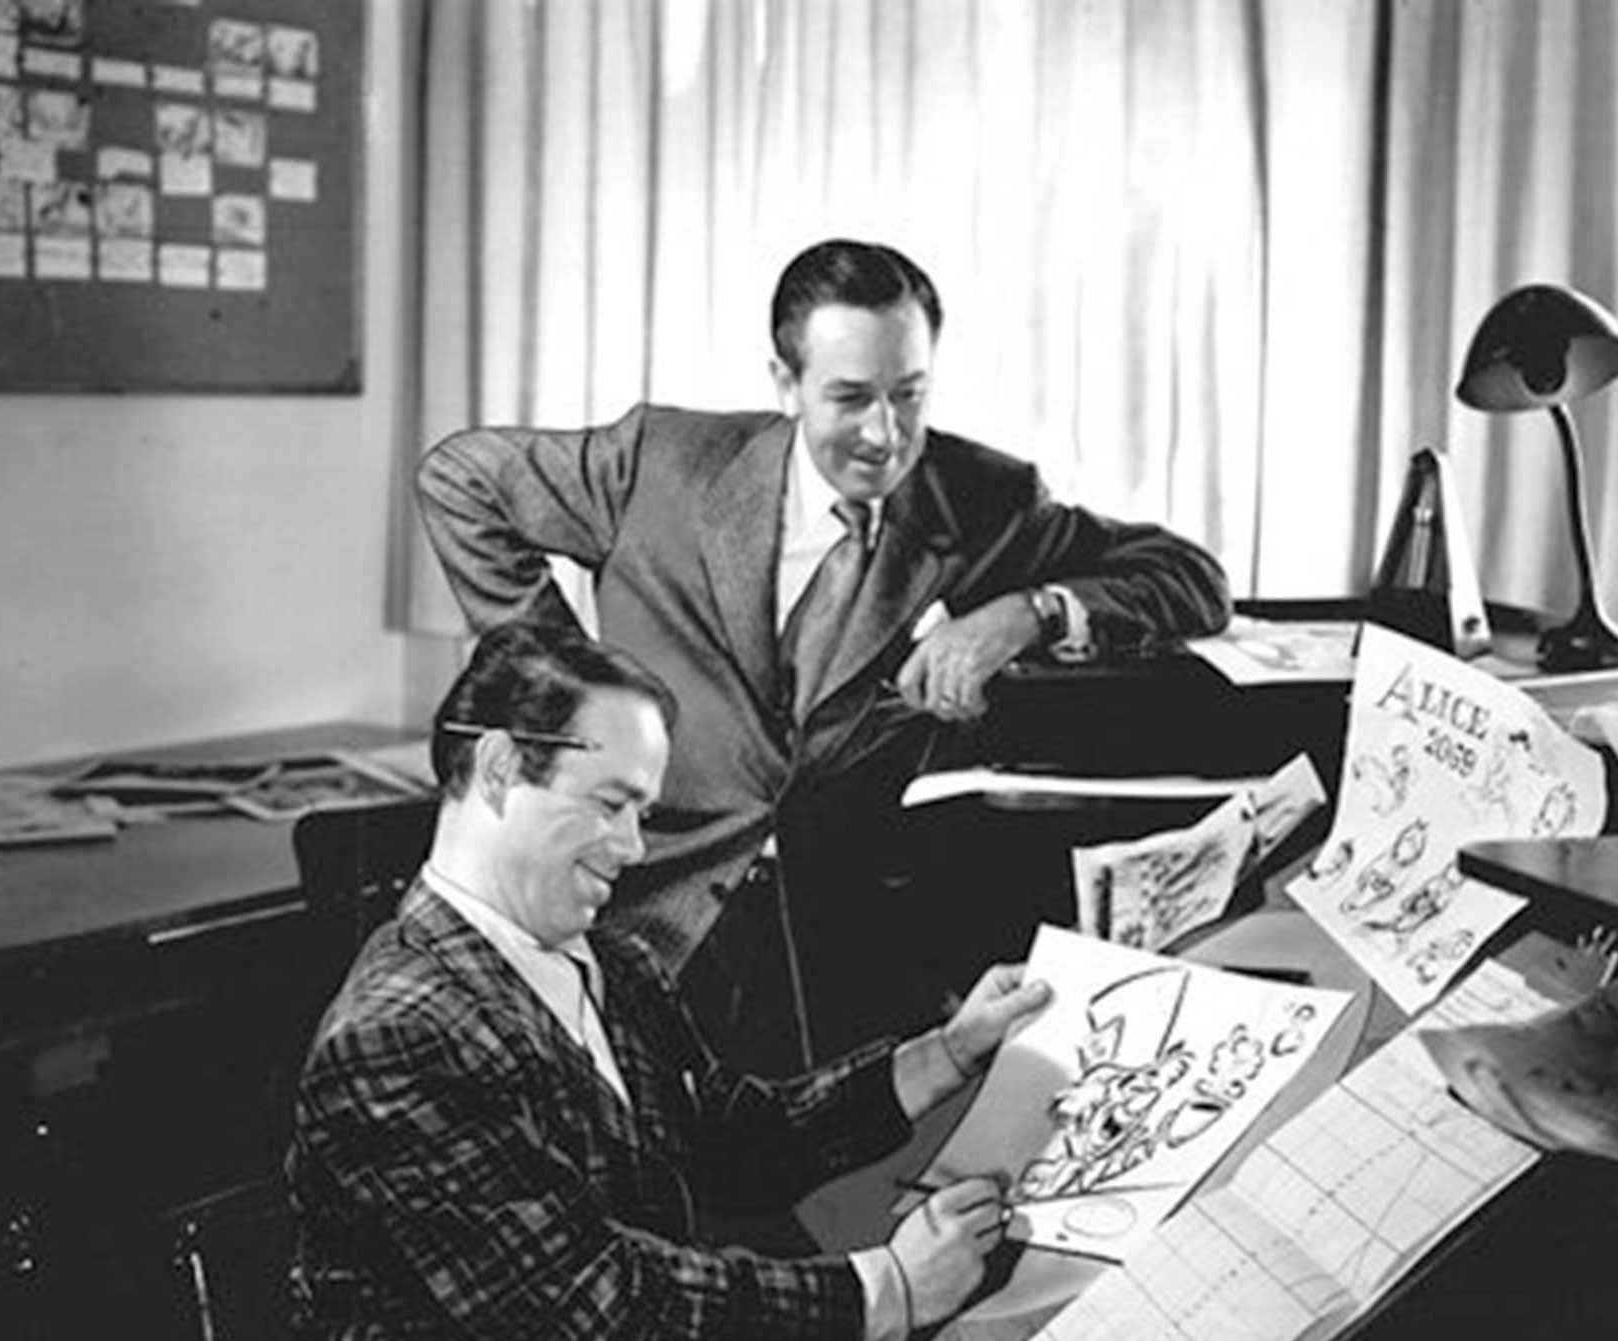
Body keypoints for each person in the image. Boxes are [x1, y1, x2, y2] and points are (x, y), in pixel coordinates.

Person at [287, 622, 1053, 1341]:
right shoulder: (396, 1035)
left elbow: (730, 1142)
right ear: (497, 769)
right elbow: (599, 1319)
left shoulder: (607, 962)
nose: (632, 847)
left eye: (642, 812)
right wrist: (887, 1288)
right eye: (609, 804)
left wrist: (947, 1052)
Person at [417, 237, 1230, 1072]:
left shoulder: (983, 498)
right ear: (786, 383)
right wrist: (569, 690)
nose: (886, 434)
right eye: (851, 398)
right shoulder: (657, 464)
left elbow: (1190, 576)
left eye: (909, 395)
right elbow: (462, 481)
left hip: (851, 948)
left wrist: (1025, 614)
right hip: (642, 909)